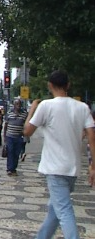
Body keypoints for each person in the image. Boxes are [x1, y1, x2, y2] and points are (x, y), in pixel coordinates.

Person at [24, 71, 95, 239]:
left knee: (63, 210)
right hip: (73, 168)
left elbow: (27, 131)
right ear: (68, 85)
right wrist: (93, 166)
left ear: (49, 85)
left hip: (55, 168)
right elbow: (92, 137)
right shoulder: (82, 107)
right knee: (55, 209)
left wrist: (31, 111)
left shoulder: (46, 106)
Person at [3, 99, 28, 176]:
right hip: (10, 136)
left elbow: (26, 125)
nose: (18, 106)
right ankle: (9, 169)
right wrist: (4, 137)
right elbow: (5, 125)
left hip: (19, 137)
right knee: (10, 151)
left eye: (19, 104)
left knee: (16, 153)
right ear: (14, 105)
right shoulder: (9, 114)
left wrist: (25, 135)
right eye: (17, 104)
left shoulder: (24, 114)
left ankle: (14, 168)